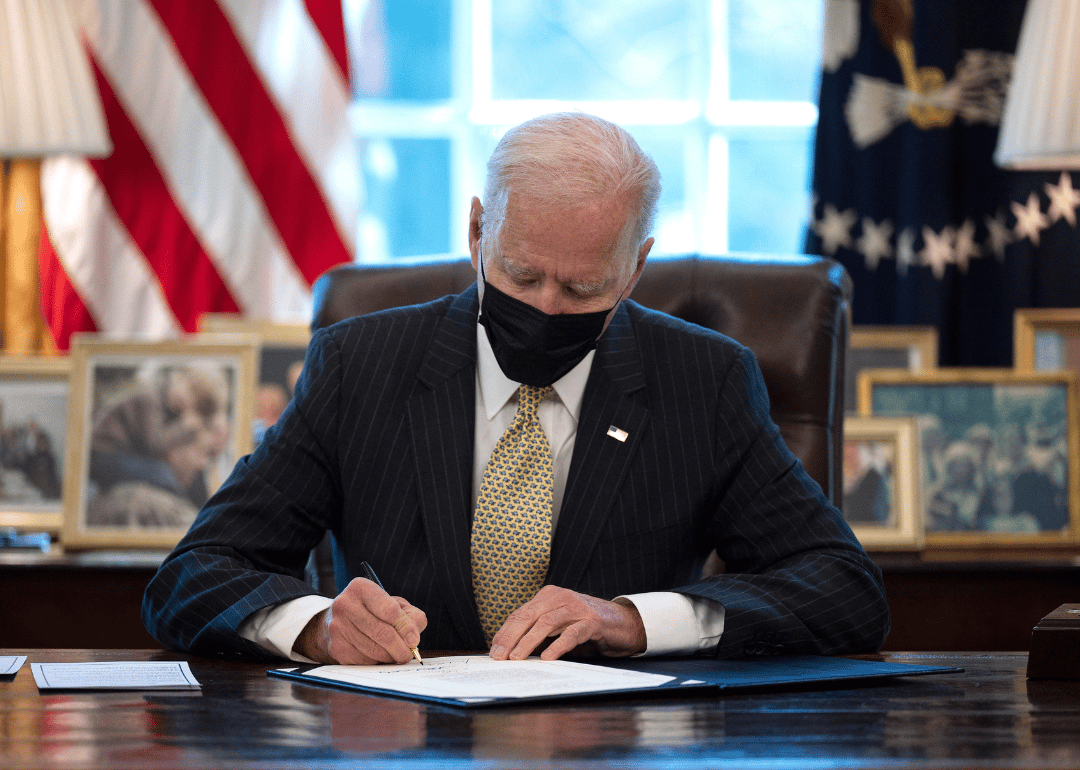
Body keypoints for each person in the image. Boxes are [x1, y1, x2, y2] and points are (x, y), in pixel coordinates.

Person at [143, 112, 889, 665]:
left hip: (612, 748)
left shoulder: (705, 382)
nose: (545, 308)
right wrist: (317, 627)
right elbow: (192, 578)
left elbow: (845, 590)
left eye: (583, 286)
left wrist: (633, 620)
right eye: (522, 274)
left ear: (635, 270)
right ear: (477, 232)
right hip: (400, 748)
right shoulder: (358, 365)